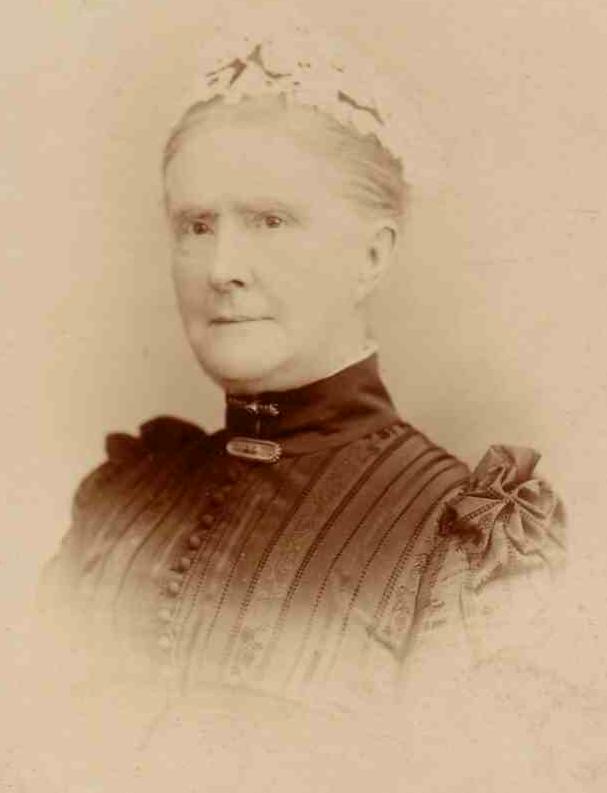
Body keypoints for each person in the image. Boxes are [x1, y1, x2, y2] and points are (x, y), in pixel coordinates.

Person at [39, 23, 566, 713]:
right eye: (197, 225)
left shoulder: (455, 543)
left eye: (270, 221)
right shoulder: (122, 503)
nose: (222, 269)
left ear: (372, 256)